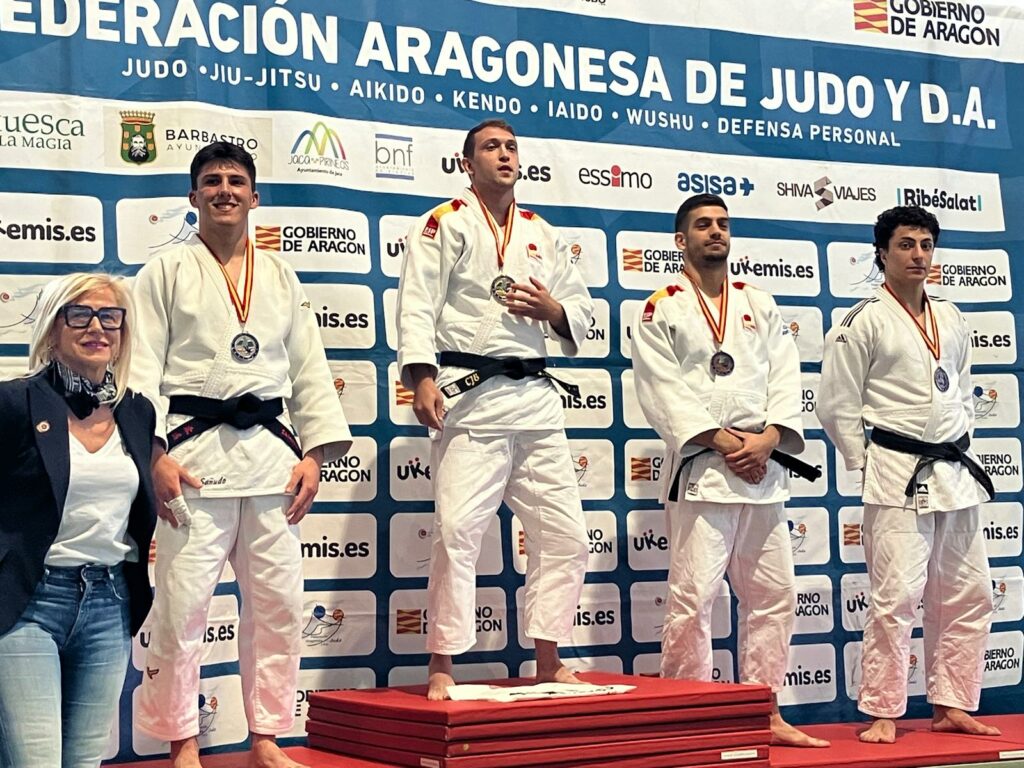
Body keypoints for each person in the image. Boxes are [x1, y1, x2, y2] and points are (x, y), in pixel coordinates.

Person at [130, 142, 352, 768]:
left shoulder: (281, 275)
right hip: (192, 460)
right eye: (211, 181)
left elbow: (309, 369)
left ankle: (266, 738)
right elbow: (142, 365)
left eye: (236, 180)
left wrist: (315, 455)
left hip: (271, 463)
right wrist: (152, 456)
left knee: (279, 609)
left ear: (255, 197)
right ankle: (182, 741)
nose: (224, 189)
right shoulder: (164, 271)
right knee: (180, 611)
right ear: (193, 196)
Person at [396, 118, 594, 700]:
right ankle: (443, 663)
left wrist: (554, 310)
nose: (504, 155)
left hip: (534, 400)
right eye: (491, 147)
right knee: (458, 531)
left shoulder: (541, 231)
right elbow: (416, 306)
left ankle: (550, 656)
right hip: (471, 394)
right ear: (467, 162)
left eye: (511, 147)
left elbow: (580, 312)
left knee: (565, 536)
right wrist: (422, 377)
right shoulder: (443, 223)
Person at [631, 193, 827, 748]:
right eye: (702, 225)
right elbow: (659, 389)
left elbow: (785, 378)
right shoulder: (660, 307)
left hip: (761, 473)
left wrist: (768, 439)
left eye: (722, 224)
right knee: (694, 598)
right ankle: (686, 718)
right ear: (680, 239)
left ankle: (765, 711)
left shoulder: (758, 303)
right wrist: (722, 441)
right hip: (703, 470)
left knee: (775, 595)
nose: (715, 232)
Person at [818, 206, 998, 744]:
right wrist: (862, 460)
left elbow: (961, 389)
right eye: (906, 245)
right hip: (896, 470)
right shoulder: (861, 319)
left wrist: (959, 437)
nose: (918, 254)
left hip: (954, 469)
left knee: (970, 592)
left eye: (925, 244)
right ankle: (883, 709)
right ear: (882, 253)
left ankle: (953, 702)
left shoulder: (952, 315)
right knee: (895, 596)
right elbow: (835, 404)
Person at [0, 272, 157, 767]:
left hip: (109, 604)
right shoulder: (13, 403)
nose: (97, 327)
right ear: (52, 329)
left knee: (85, 760)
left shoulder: (137, 410)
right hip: (28, 602)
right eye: (80, 314)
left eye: (110, 316)